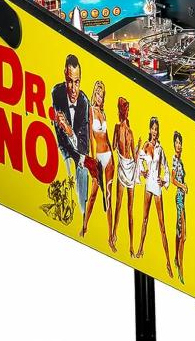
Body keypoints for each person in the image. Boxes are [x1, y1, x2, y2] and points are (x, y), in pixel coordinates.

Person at [51, 54, 103, 236]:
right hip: (64, 148)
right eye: (69, 82)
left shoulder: (84, 103)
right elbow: (60, 136)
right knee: (67, 165)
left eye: (77, 82)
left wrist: (69, 130)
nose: (73, 89)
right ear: (64, 77)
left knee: (82, 169)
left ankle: (82, 216)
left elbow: (82, 146)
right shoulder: (56, 93)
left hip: (79, 151)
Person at [136, 117, 173, 278]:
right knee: (144, 219)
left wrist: (164, 181)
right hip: (148, 184)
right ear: (150, 129)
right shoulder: (146, 145)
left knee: (162, 225)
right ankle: (140, 249)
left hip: (156, 186)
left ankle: (168, 262)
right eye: (153, 128)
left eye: (157, 129)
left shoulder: (160, 149)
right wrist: (142, 171)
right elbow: (139, 160)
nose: (155, 131)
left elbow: (166, 167)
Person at [82, 80, 115, 248]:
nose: (100, 98)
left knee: (108, 197)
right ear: (94, 94)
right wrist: (93, 160)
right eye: (98, 94)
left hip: (109, 156)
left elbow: (107, 137)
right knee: (94, 194)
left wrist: (113, 156)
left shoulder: (104, 113)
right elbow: (90, 137)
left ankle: (110, 237)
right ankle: (84, 226)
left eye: (102, 95)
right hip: (98, 157)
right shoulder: (91, 111)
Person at [112, 98, 141, 256]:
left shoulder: (127, 131)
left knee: (128, 208)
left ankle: (129, 244)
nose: (126, 112)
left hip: (128, 166)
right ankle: (115, 236)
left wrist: (138, 147)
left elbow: (133, 156)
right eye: (126, 109)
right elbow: (115, 146)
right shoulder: (121, 129)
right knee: (120, 204)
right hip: (124, 165)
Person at [171, 131, 188, 284]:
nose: (178, 145)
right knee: (183, 234)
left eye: (180, 142)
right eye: (176, 142)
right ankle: (180, 267)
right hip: (180, 197)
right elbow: (173, 180)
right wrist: (183, 186)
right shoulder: (175, 160)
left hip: (182, 197)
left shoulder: (180, 160)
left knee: (180, 231)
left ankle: (177, 258)